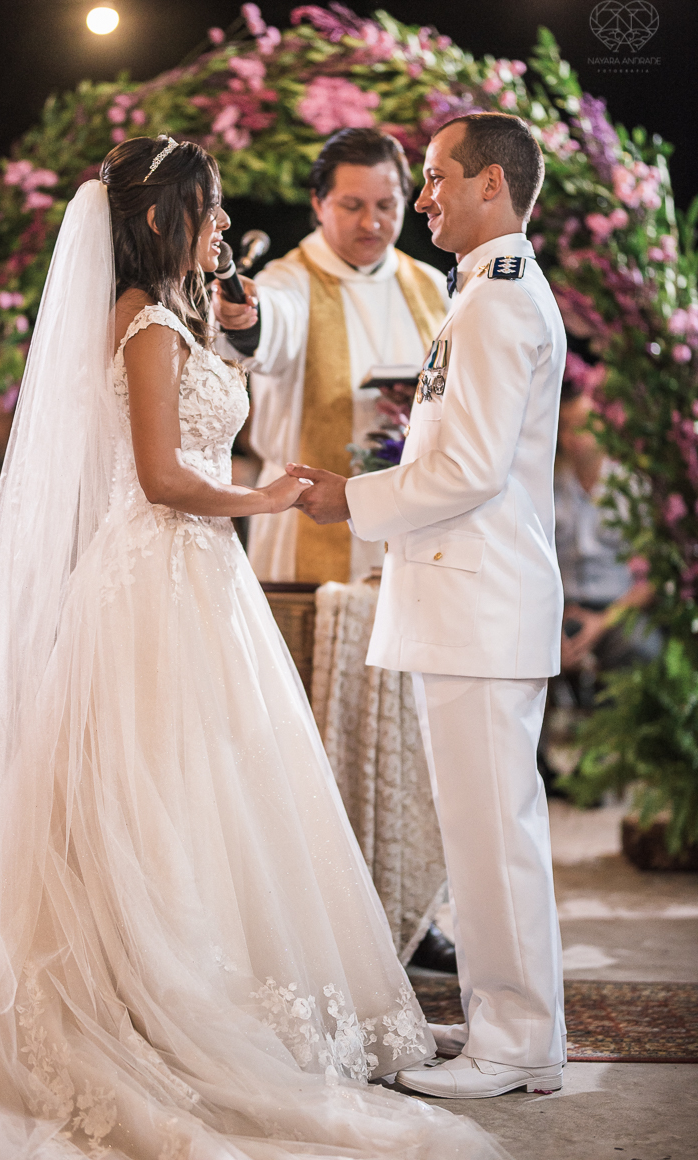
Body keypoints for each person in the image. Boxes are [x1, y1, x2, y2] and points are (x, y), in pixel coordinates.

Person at [0, 136, 506, 1159]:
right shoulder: (141, 327)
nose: (226, 225)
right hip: (159, 570)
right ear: (163, 218)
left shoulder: (174, 317)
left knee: (216, 787)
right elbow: (160, 478)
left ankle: (234, 980)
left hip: (192, 576)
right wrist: (263, 496)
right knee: (154, 789)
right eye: (212, 208)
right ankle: (149, 995)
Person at [288, 112, 568, 1099]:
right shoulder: (484, 295)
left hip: (481, 602)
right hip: (475, 600)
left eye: (440, 177)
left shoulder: (495, 302)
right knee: (487, 834)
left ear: (493, 185)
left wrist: (347, 498)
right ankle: (512, 1032)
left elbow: (469, 468)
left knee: (495, 837)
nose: (424, 198)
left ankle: (515, 1043)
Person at [213, 127, 449, 584]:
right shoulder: (291, 280)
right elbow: (269, 321)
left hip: (410, 527)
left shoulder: (432, 288)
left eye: (386, 206)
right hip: (306, 521)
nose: (371, 224)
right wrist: (246, 319)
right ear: (319, 203)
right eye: (352, 205)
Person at [555, 384, 658, 697]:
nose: (573, 437)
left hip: (616, 611)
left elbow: (653, 579)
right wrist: (551, 623)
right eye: (564, 427)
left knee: (644, 647)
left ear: (604, 427)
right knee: (515, 649)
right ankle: (537, 746)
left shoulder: (631, 487)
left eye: (582, 425)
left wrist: (601, 622)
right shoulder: (546, 486)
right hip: (559, 611)